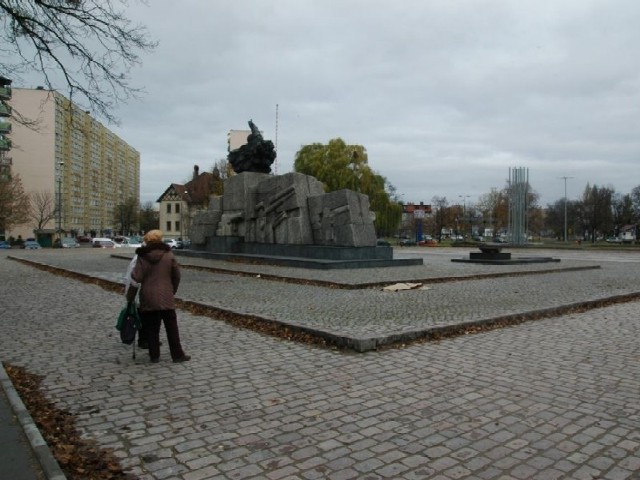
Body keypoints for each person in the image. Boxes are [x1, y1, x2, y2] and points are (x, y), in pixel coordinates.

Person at [125, 230, 190, 363]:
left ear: (147, 241)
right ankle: (177, 354)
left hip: (148, 296)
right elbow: (176, 275)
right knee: (171, 327)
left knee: (151, 328)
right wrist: (172, 290)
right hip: (166, 295)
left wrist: (130, 297)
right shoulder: (169, 255)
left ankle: (154, 355)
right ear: (161, 239)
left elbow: (136, 278)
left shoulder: (142, 257)